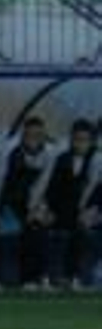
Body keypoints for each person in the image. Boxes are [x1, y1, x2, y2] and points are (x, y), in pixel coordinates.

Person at [0, 115, 55, 290]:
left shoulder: (50, 153)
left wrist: (34, 209)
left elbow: (42, 182)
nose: (34, 139)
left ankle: (31, 279)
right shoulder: (8, 149)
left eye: (38, 135)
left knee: (36, 223)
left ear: (43, 136)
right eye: (29, 135)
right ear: (23, 135)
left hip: (24, 191)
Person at [30, 118, 98, 290]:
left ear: (91, 141)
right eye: (76, 139)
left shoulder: (97, 160)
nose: (80, 144)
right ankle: (42, 277)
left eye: (84, 140)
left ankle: (73, 276)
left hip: (89, 211)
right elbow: (53, 189)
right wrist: (47, 209)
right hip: (63, 210)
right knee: (38, 225)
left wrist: (92, 211)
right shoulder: (62, 159)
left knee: (81, 227)